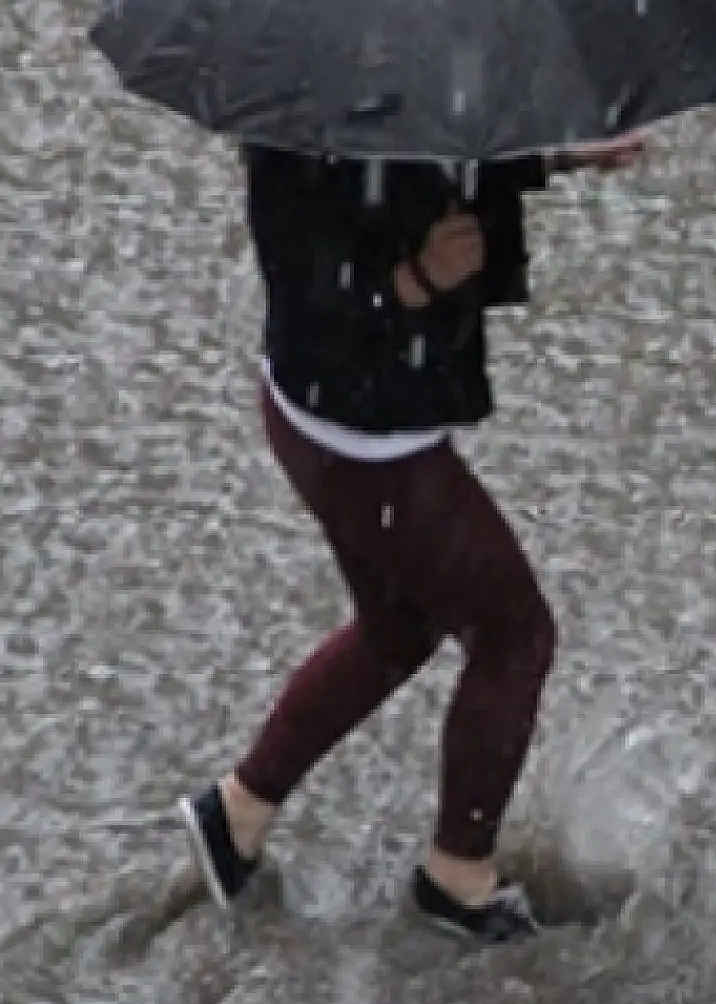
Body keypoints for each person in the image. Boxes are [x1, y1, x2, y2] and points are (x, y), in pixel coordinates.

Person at [176, 130, 647, 945]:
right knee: (515, 634)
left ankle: (239, 810)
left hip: (325, 417)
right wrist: (417, 279)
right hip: (365, 442)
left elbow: (428, 155)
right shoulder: (302, 131)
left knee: (398, 628)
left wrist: (555, 157)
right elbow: (313, 290)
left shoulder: (377, 89)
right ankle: (457, 876)